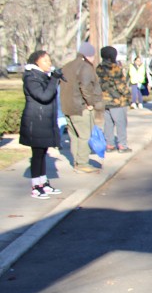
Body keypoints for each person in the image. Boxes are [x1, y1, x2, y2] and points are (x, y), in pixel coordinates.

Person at [19, 50, 63, 198]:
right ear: (36, 62)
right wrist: (54, 80)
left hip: (44, 120)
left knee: (43, 153)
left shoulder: (44, 76)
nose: (49, 63)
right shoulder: (31, 77)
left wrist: (54, 78)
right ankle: (36, 187)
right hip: (35, 121)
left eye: (49, 60)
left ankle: (43, 183)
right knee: (37, 154)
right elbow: (44, 96)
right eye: (45, 61)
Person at [59, 42, 104, 173]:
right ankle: (82, 163)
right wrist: (90, 103)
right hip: (81, 107)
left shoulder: (67, 66)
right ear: (89, 55)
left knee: (74, 136)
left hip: (68, 107)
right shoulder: (85, 67)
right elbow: (85, 87)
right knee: (85, 136)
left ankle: (77, 161)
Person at [96, 46, 131, 153]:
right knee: (121, 123)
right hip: (117, 101)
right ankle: (122, 145)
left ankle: (109, 144)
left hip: (104, 100)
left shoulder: (99, 68)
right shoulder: (114, 68)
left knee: (108, 123)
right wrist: (128, 95)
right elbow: (121, 85)